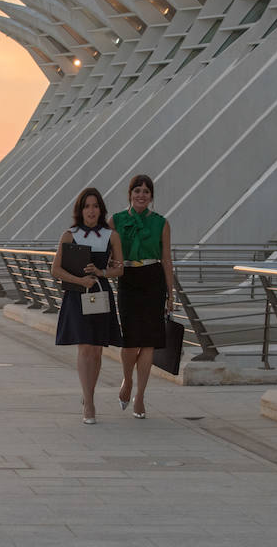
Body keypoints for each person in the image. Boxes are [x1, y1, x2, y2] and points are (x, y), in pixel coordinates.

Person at [51, 188, 124, 424]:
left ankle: (88, 395)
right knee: (84, 347)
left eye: (95, 206)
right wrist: (80, 280)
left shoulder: (110, 236)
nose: (91, 211)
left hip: (100, 296)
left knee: (96, 349)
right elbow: (56, 269)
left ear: (101, 209)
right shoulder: (70, 235)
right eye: (86, 206)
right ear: (80, 210)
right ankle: (89, 403)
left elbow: (120, 269)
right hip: (77, 296)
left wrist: (101, 272)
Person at [109, 175, 175, 419]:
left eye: (146, 191)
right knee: (129, 341)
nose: (141, 195)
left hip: (152, 279)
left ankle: (140, 396)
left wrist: (171, 293)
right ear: (130, 193)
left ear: (151, 196)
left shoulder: (161, 223)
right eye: (137, 190)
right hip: (128, 278)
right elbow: (104, 251)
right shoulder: (115, 221)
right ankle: (127, 381)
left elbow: (166, 259)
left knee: (148, 342)